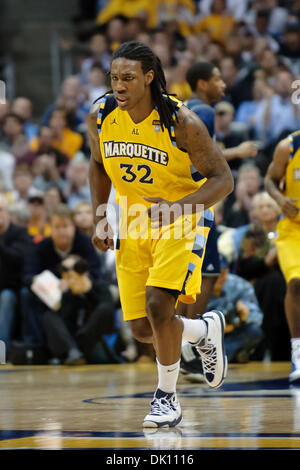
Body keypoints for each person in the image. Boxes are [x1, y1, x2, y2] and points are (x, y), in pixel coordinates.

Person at [88, 41, 233, 428]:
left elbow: (224, 180)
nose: (119, 85)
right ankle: (205, 330)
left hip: (181, 220)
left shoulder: (181, 121)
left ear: (149, 78)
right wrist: (100, 216)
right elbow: (99, 165)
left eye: (128, 78)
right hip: (132, 223)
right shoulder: (101, 115)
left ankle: (166, 397)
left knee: (158, 308)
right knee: (141, 329)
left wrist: (177, 208)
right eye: (115, 77)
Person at [21, 204, 102, 345]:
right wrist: (47, 283)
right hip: (48, 293)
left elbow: (95, 273)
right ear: (50, 229)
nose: (61, 231)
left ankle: (88, 344)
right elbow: (28, 275)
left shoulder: (84, 243)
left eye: (65, 226)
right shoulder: (40, 247)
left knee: (98, 290)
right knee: (25, 294)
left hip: (78, 291)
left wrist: (72, 282)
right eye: (57, 227)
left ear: (73, 227)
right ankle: (35, 345)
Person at [265, 130, 300, 382]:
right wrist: (279, 197)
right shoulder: (287, 146)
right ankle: (298, 353)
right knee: (296, 284)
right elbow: (269, 179)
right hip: (293, 230)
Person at [43, 254, 115, 365]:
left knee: (104, 308)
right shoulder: (65, 293)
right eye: (64, 270)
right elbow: (65, 321)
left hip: (93, 340)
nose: (69, 274)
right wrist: (70, 295)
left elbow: (107, 313)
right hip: (71, 342)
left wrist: (88, 291)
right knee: (49, 316)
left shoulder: (100, 286)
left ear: (83, 270)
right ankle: (73, 350)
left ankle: (76, 350)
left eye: (76, 268)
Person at [0, 195, 32, 347]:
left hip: (13, 289)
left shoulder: (20, 233)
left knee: (6, 297)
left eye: (0, 210)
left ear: (8, 213)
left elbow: (17, 259)